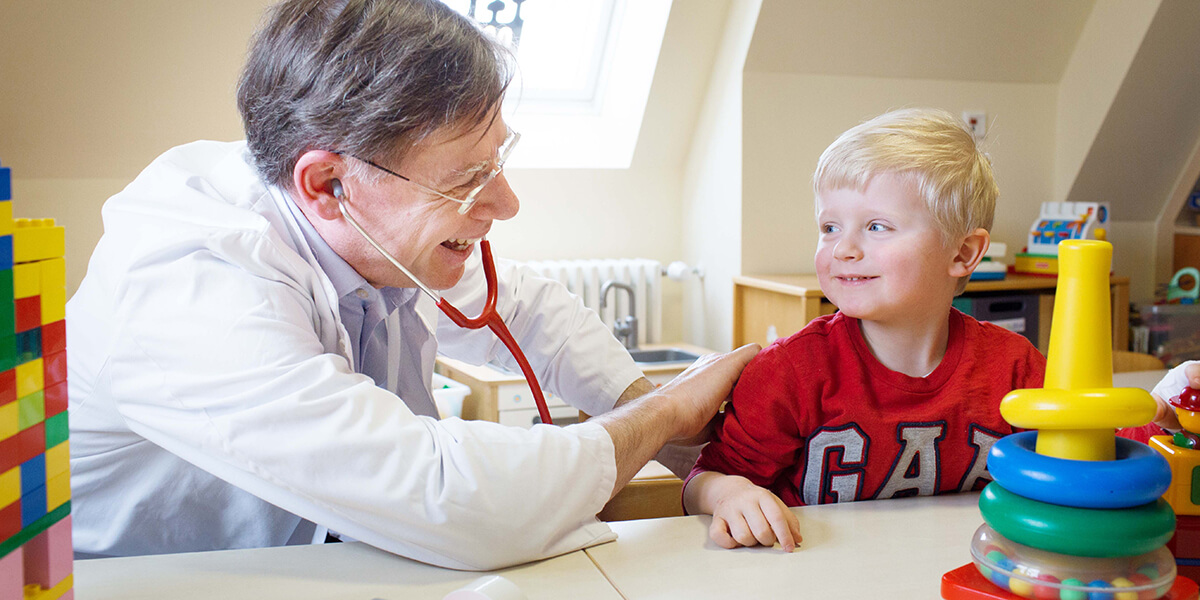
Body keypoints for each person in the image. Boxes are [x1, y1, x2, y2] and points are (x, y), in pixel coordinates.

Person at [66, 0, 756, 570]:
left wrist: (681, 438)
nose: (506, 204)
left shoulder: (366, 229)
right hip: (151, 582)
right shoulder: (187, 283)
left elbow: (531, 310)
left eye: (497, 161)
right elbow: (455, 501)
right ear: (327, 184)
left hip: (323, 566)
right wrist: (665, 412)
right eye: (468, 179)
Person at [681, 108, 1047, 552]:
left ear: (964, 252)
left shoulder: (1015, 368)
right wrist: (728, 494)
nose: (844, 248)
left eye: (876, 226)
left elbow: (1075, 463)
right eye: (829, 227)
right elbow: (700, 482)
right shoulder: (789, 372)